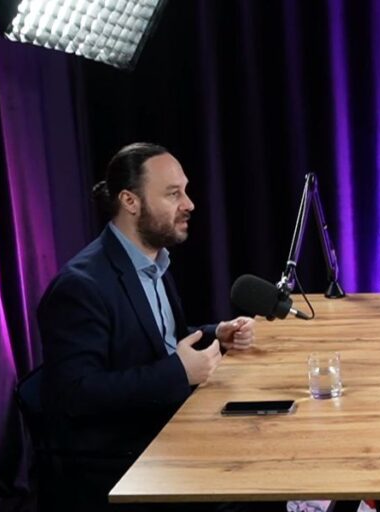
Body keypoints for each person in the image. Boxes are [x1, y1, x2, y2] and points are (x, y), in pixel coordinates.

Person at [37, 143, 256, 510]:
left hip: (167, 425)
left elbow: (159, 338)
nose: (189, 204)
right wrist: (178, 372)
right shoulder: (80, 286)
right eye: (173, 194)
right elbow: (75, 395)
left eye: (185, 191)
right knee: (252, 483)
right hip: (121, 459)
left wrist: (216, 332)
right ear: (130, 201)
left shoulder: (153, 260)